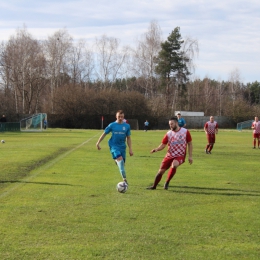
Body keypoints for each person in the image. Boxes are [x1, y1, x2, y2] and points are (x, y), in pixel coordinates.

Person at [147, 116, 193, 190]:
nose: (170, 126)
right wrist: (156, 149)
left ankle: (167, 182)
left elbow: (190, 143)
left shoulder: (185, 132)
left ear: (176, 123)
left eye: (172, 124)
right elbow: (163, 145)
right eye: (169, 124)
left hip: (180, 155)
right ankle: (154, 186)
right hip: (169, 155)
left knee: (174, 165)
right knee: (161, 171)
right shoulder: (168, 133)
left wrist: (190, 156)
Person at [96, 110, 133, 184]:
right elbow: (104, 134)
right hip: (114, 145)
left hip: (122, 147)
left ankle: (116, 160)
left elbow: (128, 138)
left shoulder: (127, 126)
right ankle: (124, 179)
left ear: (123, 117)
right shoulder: (112, 125)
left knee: (122, 163)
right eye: (119, 116)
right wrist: (98, 143)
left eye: (122, 116)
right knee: (120, 160)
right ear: (116, 116)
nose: (120, 118)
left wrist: (130, 149)